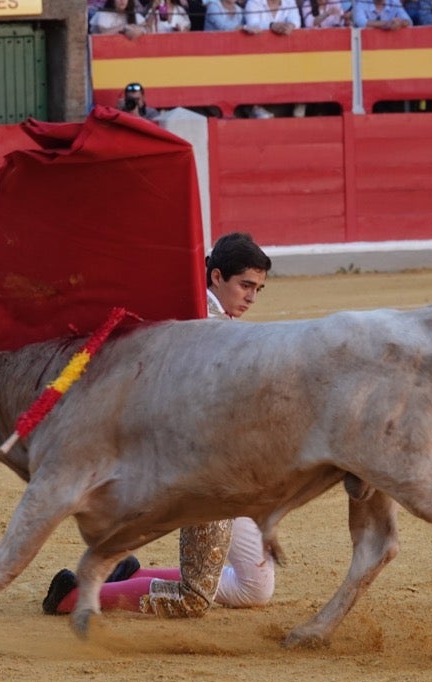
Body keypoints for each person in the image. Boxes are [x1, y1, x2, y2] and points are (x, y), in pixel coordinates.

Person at [42, 232, 276, 618]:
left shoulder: (215, 321)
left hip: (233, 468)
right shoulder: (203, 325)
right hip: (202, 471)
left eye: (258, 289)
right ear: (216, 277)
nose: (251, 297)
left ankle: (125, 575)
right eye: (245, 285)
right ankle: (76, 594)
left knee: (254, 587)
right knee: (193, 597)